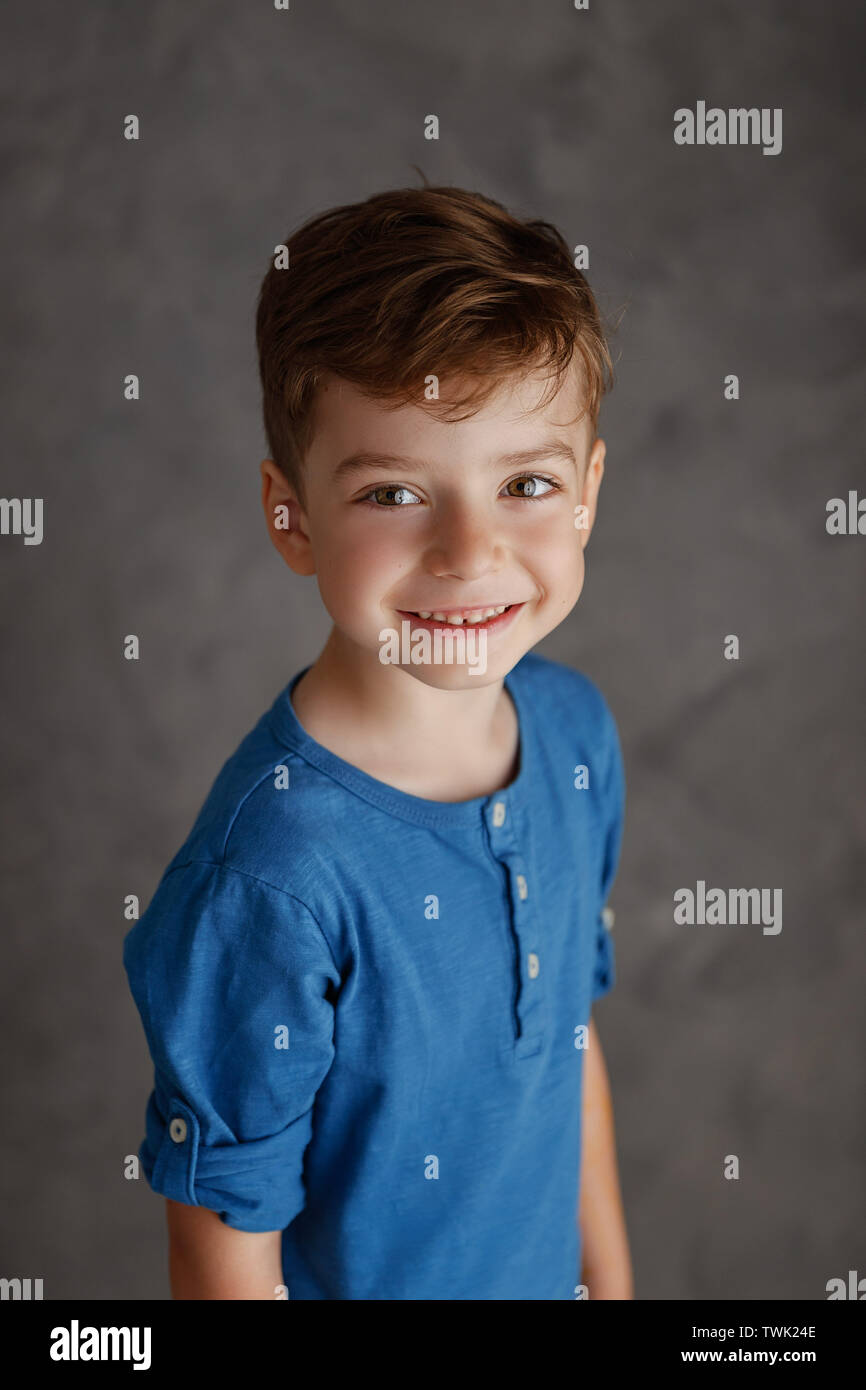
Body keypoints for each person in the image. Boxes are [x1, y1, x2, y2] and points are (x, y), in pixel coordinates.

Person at [123, 183, 632, 1300]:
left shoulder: (572, 735)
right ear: (290, 515)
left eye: (526, 484)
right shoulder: (269, 877)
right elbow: (223, 1256)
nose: (468, 551)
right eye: (395, 491)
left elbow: (565, 1053)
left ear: (588, 493)